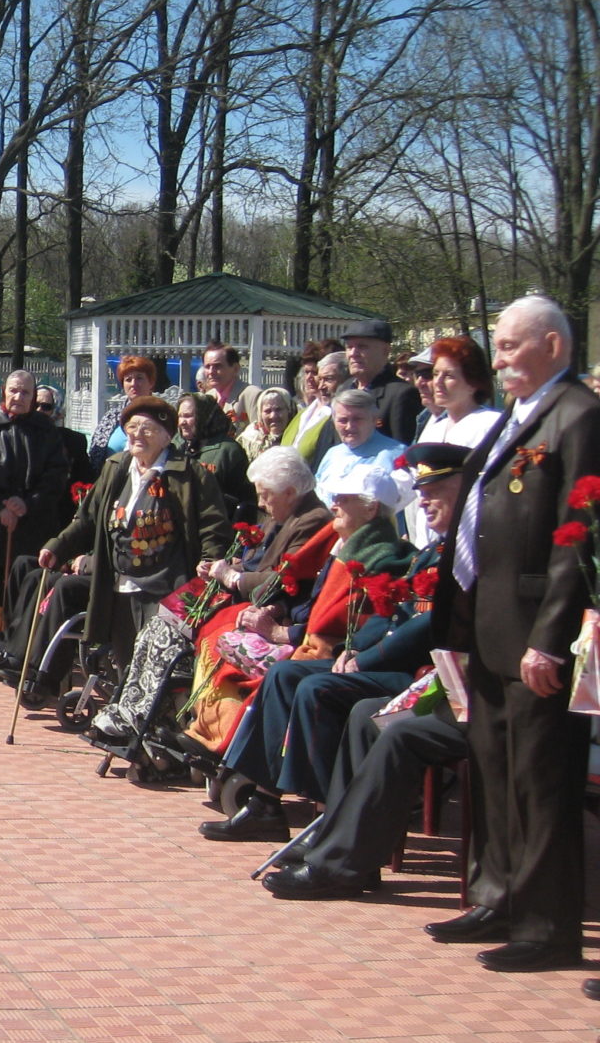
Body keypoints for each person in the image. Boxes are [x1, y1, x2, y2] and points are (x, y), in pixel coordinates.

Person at [429, 294, 600, 973]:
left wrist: (551, 639)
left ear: (553, 347)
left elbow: (576, 538)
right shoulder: (516, 415)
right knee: (494, 770)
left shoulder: (579, 416)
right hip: (489, 622)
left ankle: (547, 924)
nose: (496, 359)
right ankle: (495, 895)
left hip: (536, 631)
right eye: (496, 346)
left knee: (540, 780)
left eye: (508, 346)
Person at [259, 442, 470, 898]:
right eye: (422, 490)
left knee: (353, 706)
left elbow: (426, 626)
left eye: (437, 490)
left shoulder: (464, 553)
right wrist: (354, 650)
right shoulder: (434, 552)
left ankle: (338, 847)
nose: (425, 500)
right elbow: (390, 615)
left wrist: (364, 659)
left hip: (428, 679)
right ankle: (337, 837)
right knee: (356, 710)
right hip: (422, 676)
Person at [201, 465, 424, 841]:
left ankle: (324, 814)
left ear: (371, 510)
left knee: (307, 685)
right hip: (334, 647)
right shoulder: (351, 546)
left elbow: (366, 620)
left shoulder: (382, 555)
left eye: (344, 498)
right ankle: (265, 802)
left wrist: (343, 649)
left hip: (367, 660)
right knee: (282, 675)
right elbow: (319, 606)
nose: (334, 504)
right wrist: (282, 612)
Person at [87, 445, 330, 745]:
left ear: (291, 491)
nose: (261, 502)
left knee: (170, 636)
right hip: (243, 598)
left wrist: (231, 575)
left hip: (265, 607)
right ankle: (131, 709)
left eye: (265, 494)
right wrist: (226, 566)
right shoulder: (285, 513)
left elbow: (282, 577)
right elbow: (258, 559)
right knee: (156, 628)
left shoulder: (312, 520)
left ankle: (142, 717)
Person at [38, 396, 230, 675]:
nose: (137, 434)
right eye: (132, 427)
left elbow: (212, 525)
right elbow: (88, 518)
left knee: (158, 667)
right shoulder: (116, 468)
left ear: (167, 437)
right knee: (125, 663)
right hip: (119, 584)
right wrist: (58, 547)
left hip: (166, 587)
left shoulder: (190, 475)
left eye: (147, 429)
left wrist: (209, 562)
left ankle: (157, 719)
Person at [0, 370, 69, 638]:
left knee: (25, 584)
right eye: (13, 390)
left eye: (25, 392)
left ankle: (15, 645)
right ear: (4, 391)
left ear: (33, 397)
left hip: (33, 523)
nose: (18, 396)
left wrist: (27, 504)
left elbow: (56, 476)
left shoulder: (46, 431)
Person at [408, 336, 499, 547]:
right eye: (435, 373)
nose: (437, 382)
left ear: (472, 383)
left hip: (468, 543)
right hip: (430, 545)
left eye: (449, 375)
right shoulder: (433, 428)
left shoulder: (490, 426)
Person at [342, 319, 421, 445]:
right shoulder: (344, 389)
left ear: (386, 351)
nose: (353, 353)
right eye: (349, 347)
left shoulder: (401, 394)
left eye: (362, 347)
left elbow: (400, 450)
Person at [177, 393, 253, 521]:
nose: (182, 422)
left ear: (204, 416)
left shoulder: (228, 451)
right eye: (180, 416)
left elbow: (244, 500)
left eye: (188, 416)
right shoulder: (177, 447)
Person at [314, 389, 406, 492]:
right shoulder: (332, 454)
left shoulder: (395, 455)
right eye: (343, 420)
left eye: (357, 419)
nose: (349, 427)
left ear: (374, 419)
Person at [89, 355, 166, 465]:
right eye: (128, 380)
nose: (133, 384)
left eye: (139, 378)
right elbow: (95, 456)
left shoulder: (162, 416)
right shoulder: (111, 417)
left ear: (151, 382)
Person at [282, 350, 350, 470]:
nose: (321, 386)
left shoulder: (340, 419)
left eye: (328, 379)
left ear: (346, 381)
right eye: (321, 379)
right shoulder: (304, 412)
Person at [37, 385, 96, 486]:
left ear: (55, 409)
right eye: (34, 405)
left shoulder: (74, 441)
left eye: (46, 407)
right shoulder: (17, 436)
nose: (39, 410)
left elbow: (85, 481)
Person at [197, 340, 262, 431]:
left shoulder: (252, 395)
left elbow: (259, 436)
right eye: (207, 366)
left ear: (235, 368)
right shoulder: (208, 397)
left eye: (217, 366)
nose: (211, 372)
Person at [237, 387, 294, 462]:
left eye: (278, 409)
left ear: (289, 410)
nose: (273, 416)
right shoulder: (248, 440)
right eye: (267, 411)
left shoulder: (299, 433)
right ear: (260, 414)